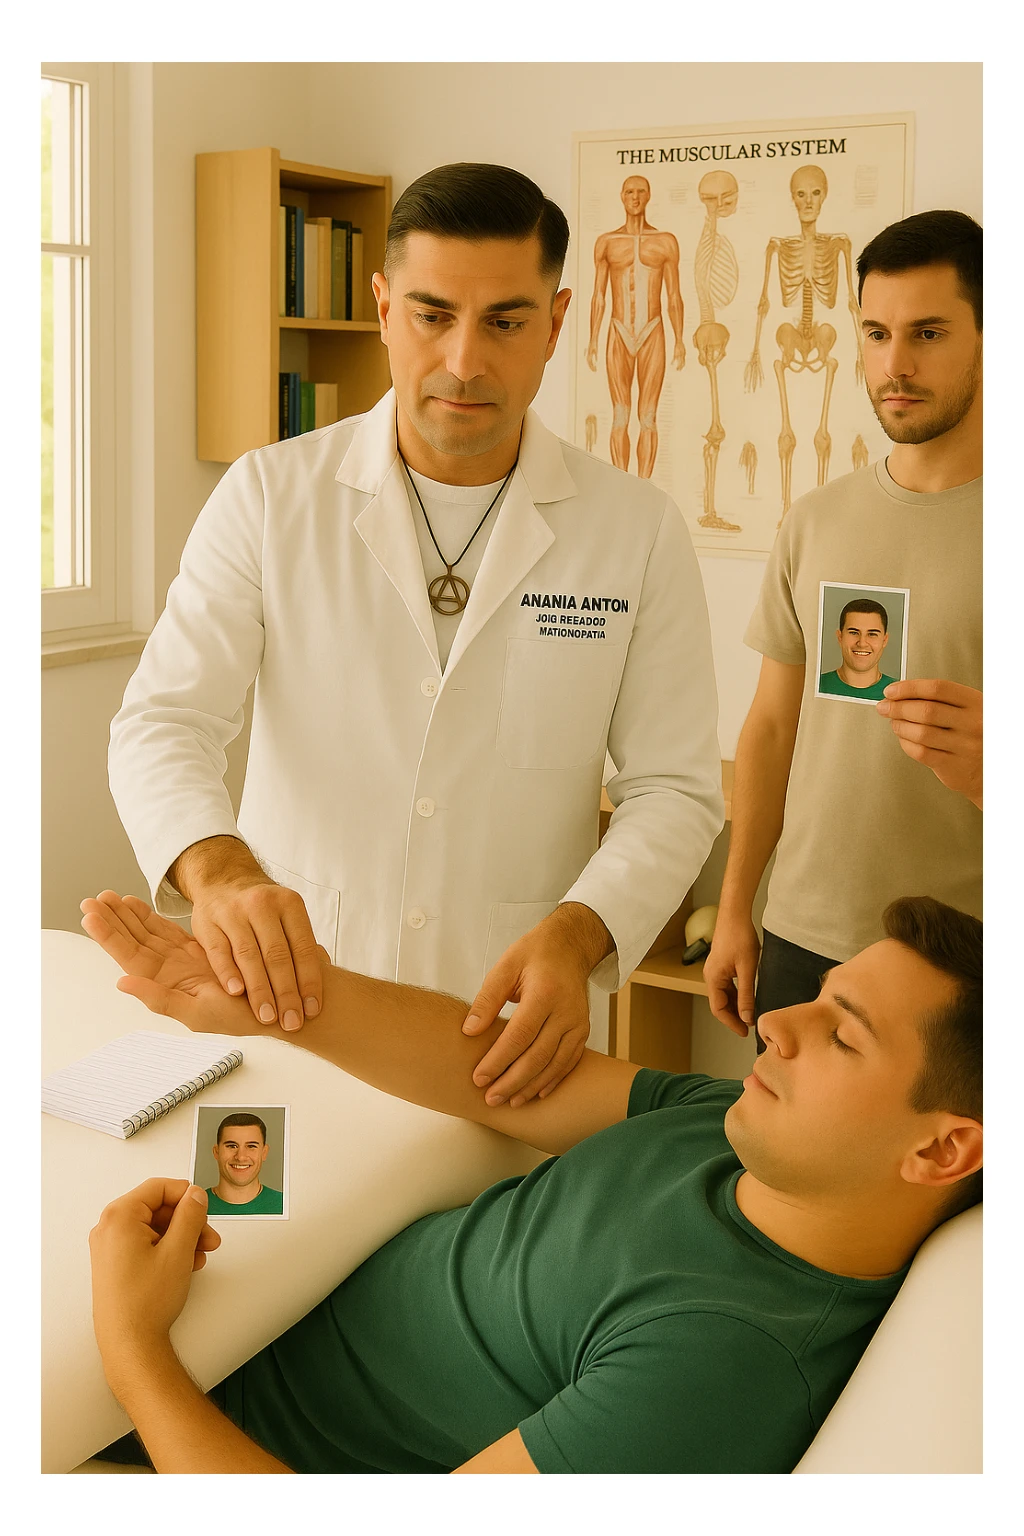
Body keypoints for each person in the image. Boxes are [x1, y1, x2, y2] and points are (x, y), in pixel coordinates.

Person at [108, 162, 723, 1111]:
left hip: (508, 1033)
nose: (466, 360)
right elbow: (165, 722)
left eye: (506, 322)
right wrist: (221, 876)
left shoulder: (633, 529)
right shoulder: (272, 496)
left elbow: (674, 788)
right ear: (385, 307)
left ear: (557, 324)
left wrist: (582, 932)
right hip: (294, 1004)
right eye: (433, 315)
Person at [81, 888, 981, 1474]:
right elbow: (501, 1078)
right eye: (818, 996)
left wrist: (134, 1353)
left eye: (843, 1035)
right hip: (248, 1307)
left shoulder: (718, 1367)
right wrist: (280, 1006)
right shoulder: (739, 1128)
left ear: (942, 1152)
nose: (779, 1022)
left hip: (168, 1425)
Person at [704, 210, 982, 1047]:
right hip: (801, 940)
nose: (894, 365)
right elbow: (772, 727)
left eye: (928, 333)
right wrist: (734, 911)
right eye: (876, 332)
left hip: (960, 952)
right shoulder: (817, 519)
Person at [585, 174, 686, 477]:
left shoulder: (665, 242)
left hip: (653, 331)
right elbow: (598, 297)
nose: (635, 196)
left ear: (649, 196)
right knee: (620, 415)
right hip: (618, 332)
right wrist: (592, 339)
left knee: (649, 417)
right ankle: (622, 486)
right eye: (630, 191)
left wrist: (680, 339)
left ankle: (646, 489)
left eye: (641, 191)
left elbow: (674, 296)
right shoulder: (607, 243)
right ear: (622, 195)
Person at [818, 598, 899, 702]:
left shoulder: (898, 693)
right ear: (840, 637)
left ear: (884, 640)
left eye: (872, 634)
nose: (862, 643)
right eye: (854, 633)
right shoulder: (816, 686)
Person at [205, 1113, 283, 1216]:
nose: (241, 1157)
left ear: (264, 1153)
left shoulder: (284, 1204)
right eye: (232, 1146)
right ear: (216, 1152)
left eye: (251, 1146)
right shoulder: (194, 1205)